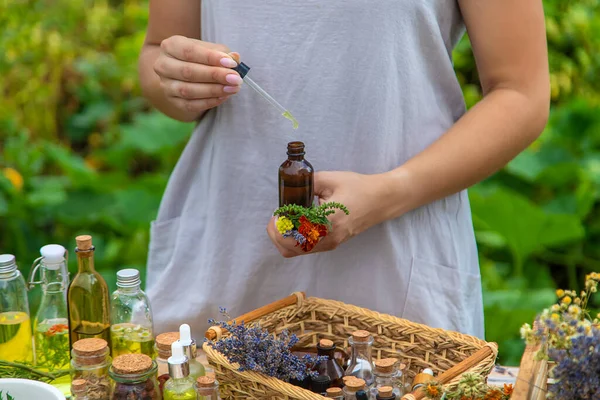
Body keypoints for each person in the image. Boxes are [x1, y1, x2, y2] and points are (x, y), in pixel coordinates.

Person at [139, 0, 549, 339]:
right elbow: (157, 51)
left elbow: (521, 92)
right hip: (221, 264)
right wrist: (180, 81)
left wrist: (389, 193)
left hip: (390, 279)